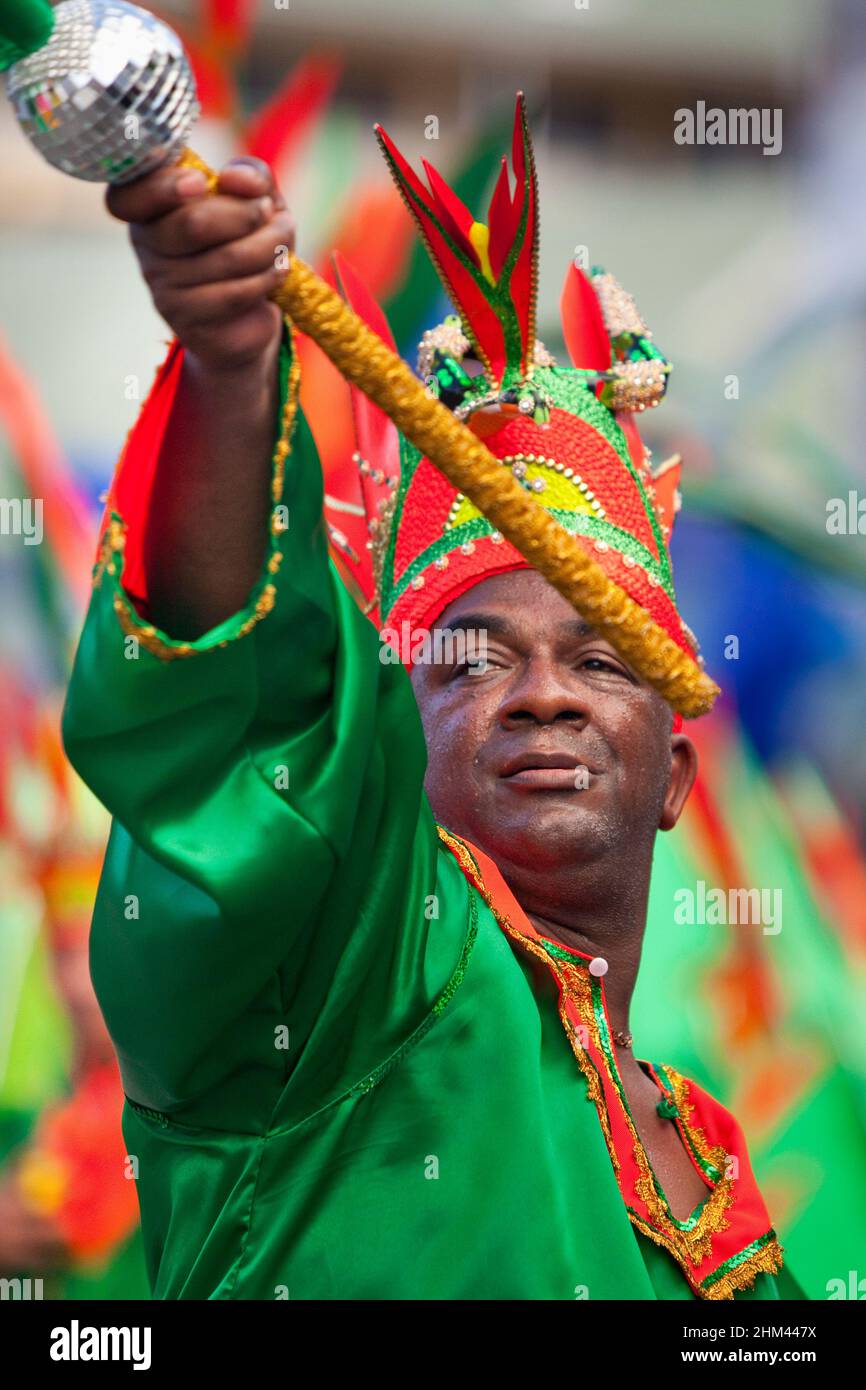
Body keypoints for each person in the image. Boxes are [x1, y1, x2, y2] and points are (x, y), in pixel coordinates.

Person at [62, 97, 791, 1300]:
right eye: (470, 660)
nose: (541, 693)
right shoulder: (341, 978)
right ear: (384, 739)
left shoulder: (709, 1153)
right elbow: (237, 724)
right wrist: (232, 367)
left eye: (600, 658)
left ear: (673, 776)